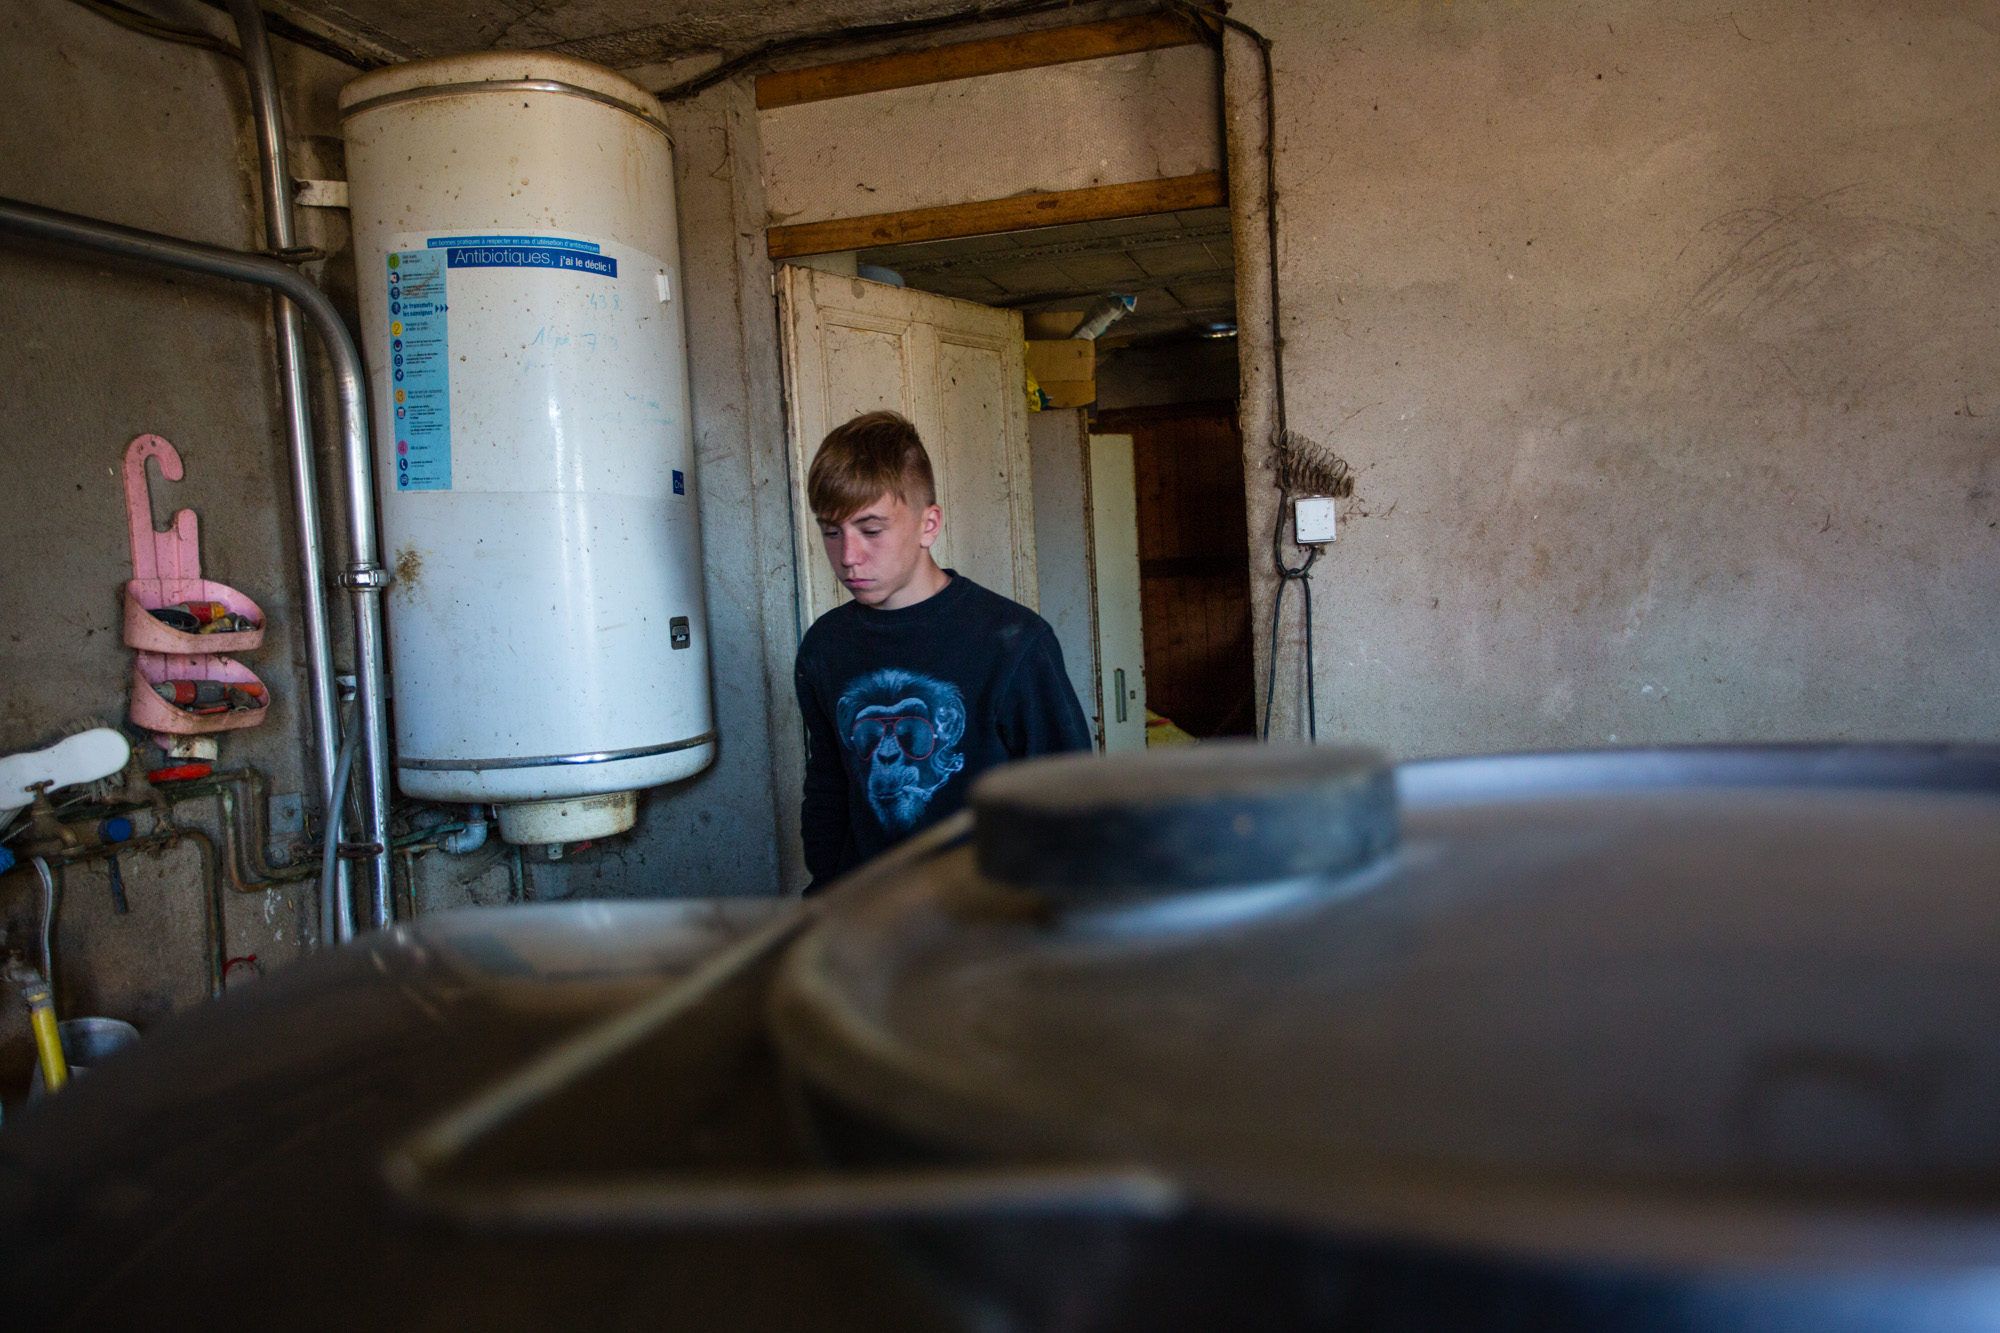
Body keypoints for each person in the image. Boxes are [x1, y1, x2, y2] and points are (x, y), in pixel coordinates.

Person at [794, 411, 1092, 892]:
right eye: (832, 531)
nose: (848, 556)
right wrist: (827, 897)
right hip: (870, 911)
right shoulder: (823, 648)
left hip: (990, 915)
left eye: (871, 530)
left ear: (928, 525)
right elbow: (829, 786)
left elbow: (1071, 797)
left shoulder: (1014, 642)